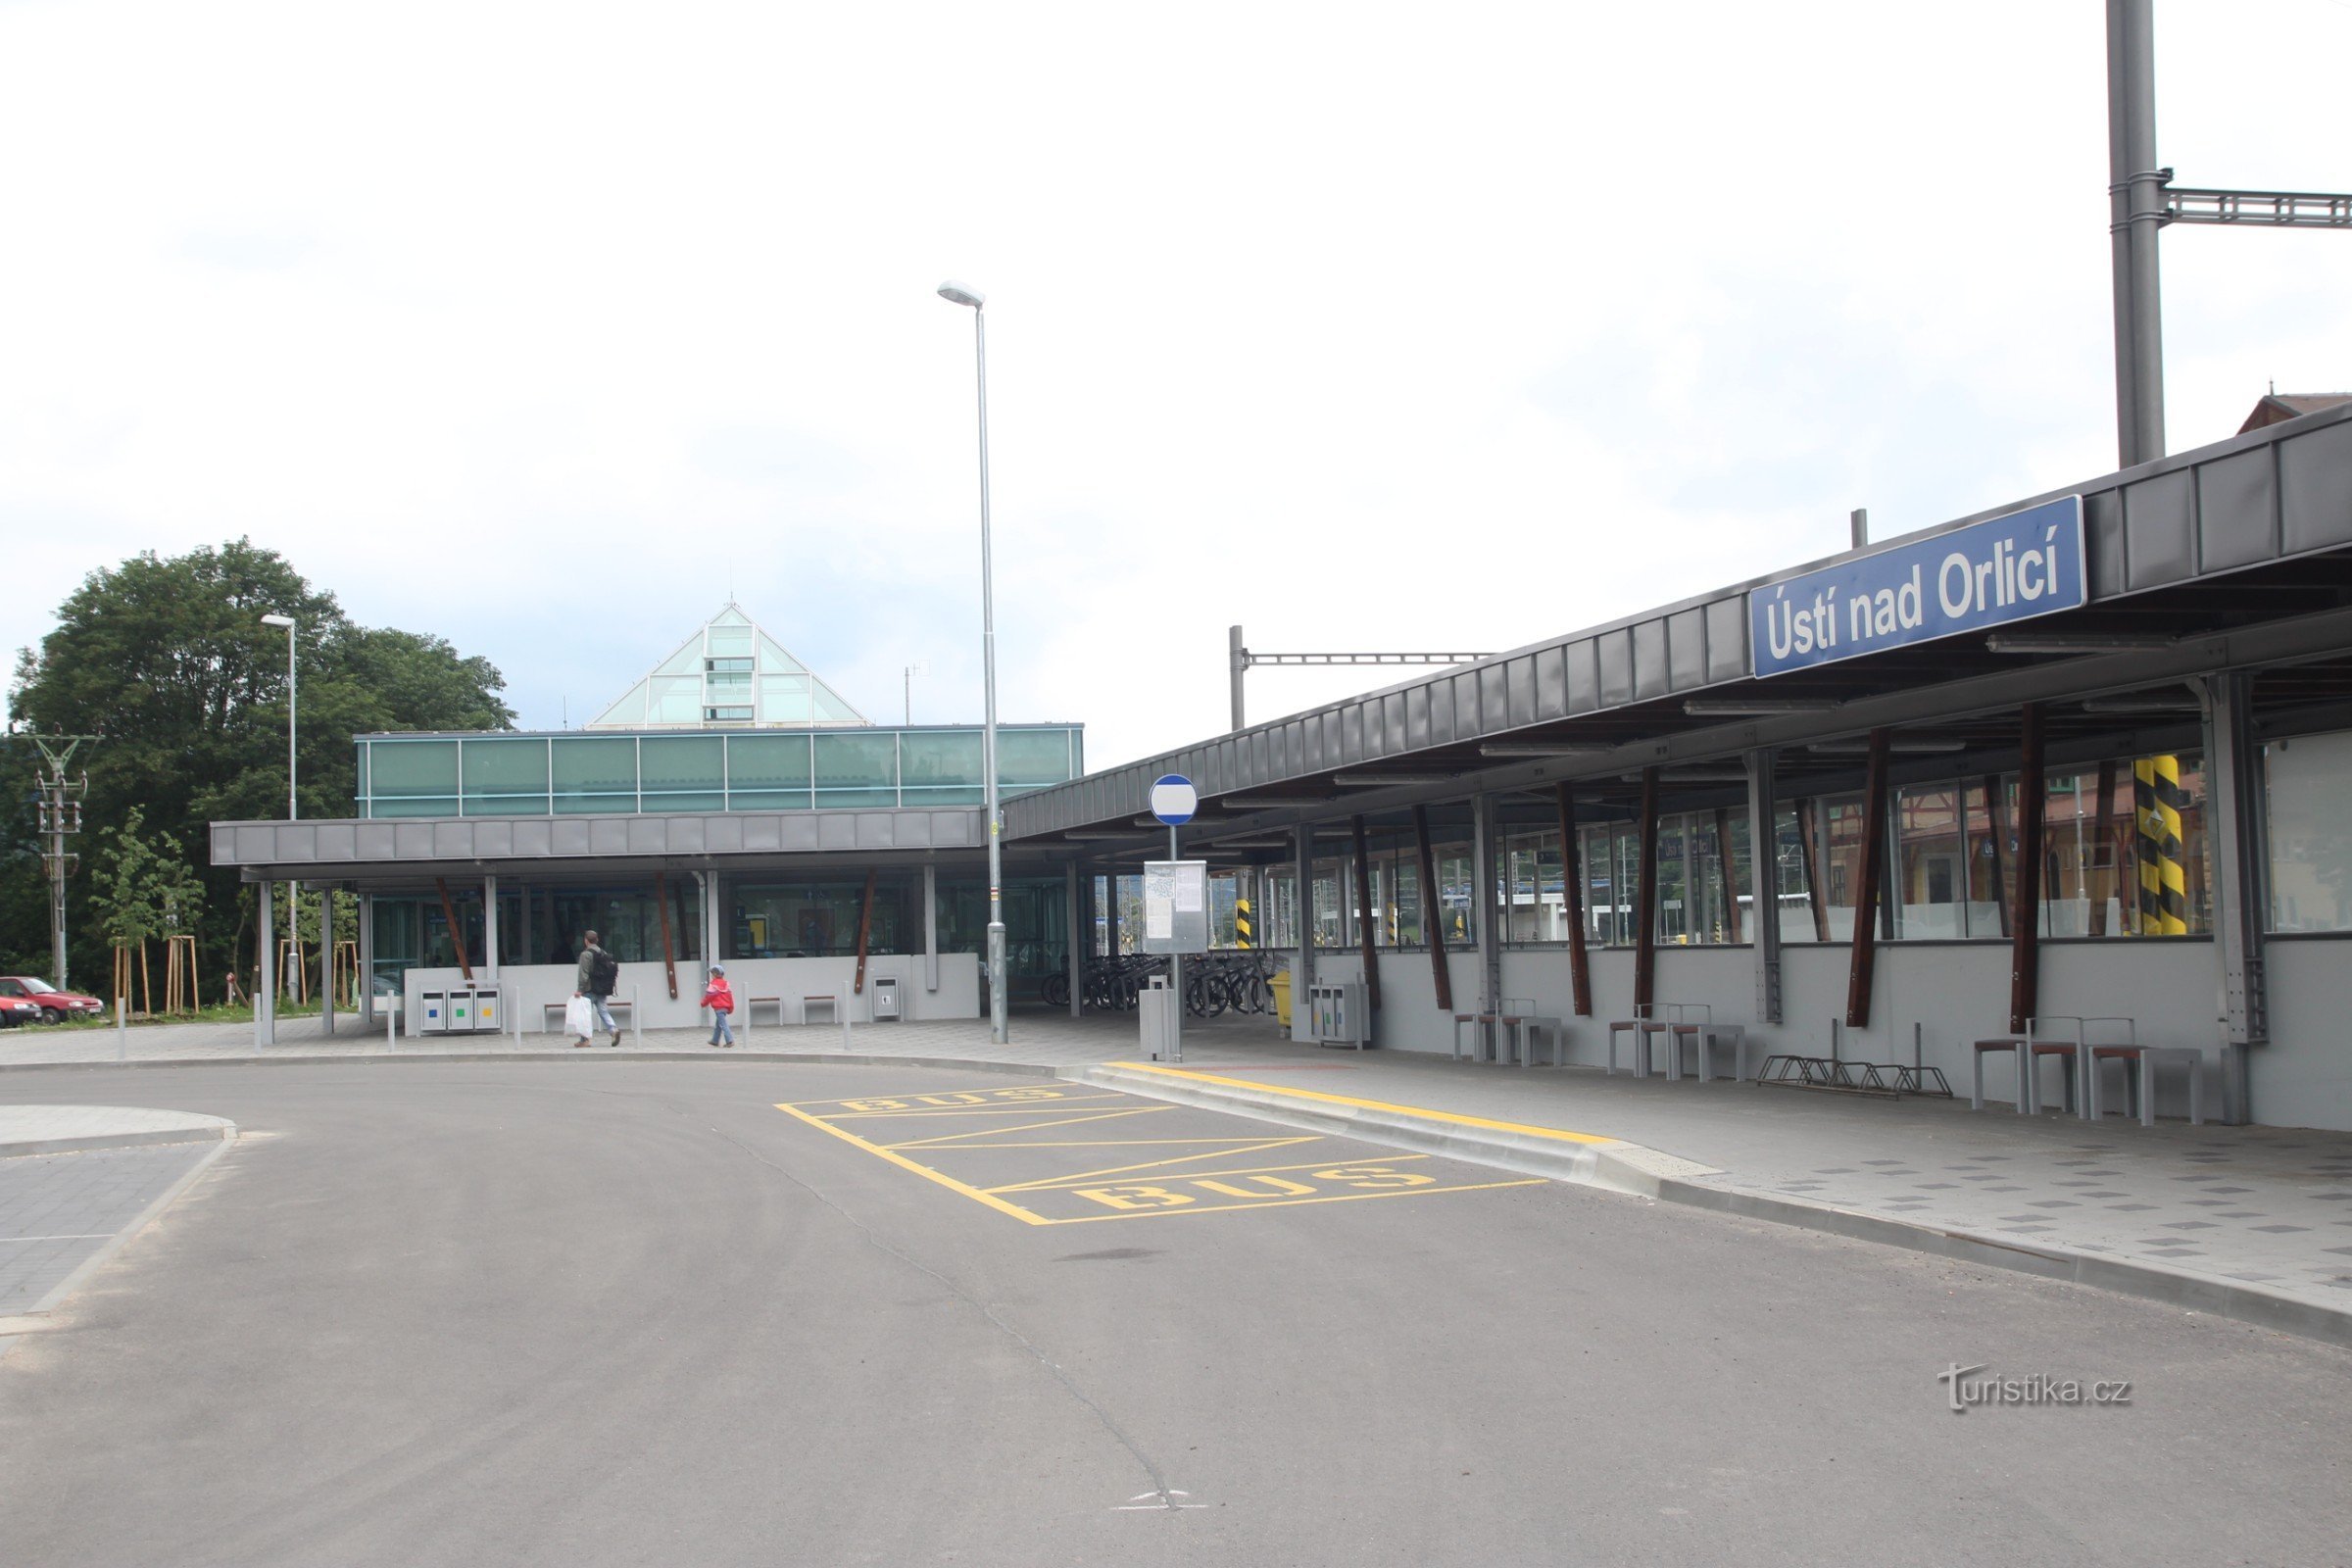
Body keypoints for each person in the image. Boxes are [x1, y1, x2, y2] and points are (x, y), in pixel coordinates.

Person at [573, 930, 622, 1048]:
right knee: (603, 1011)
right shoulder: (602, 952)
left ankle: (584, 1040)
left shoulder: (585, 954)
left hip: (589, 989)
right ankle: (613, 1030)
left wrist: (580, 990)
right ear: (597, 940)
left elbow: (583, 974)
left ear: (586, 940)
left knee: (585, 1014)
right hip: (602, 989)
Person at [701, 964, 735, 1049]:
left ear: (715, 974)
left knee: (723, 1025)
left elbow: (709, 996)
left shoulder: (713, 985)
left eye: (712, 974)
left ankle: (730, 1040)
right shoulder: (726, 984)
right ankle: (715, 1040)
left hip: (718, 1008)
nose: (711, 976)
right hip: (725, 1008)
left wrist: (703, 1003)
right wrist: (731, 1007)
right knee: (719, 1024)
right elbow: (730, 997)